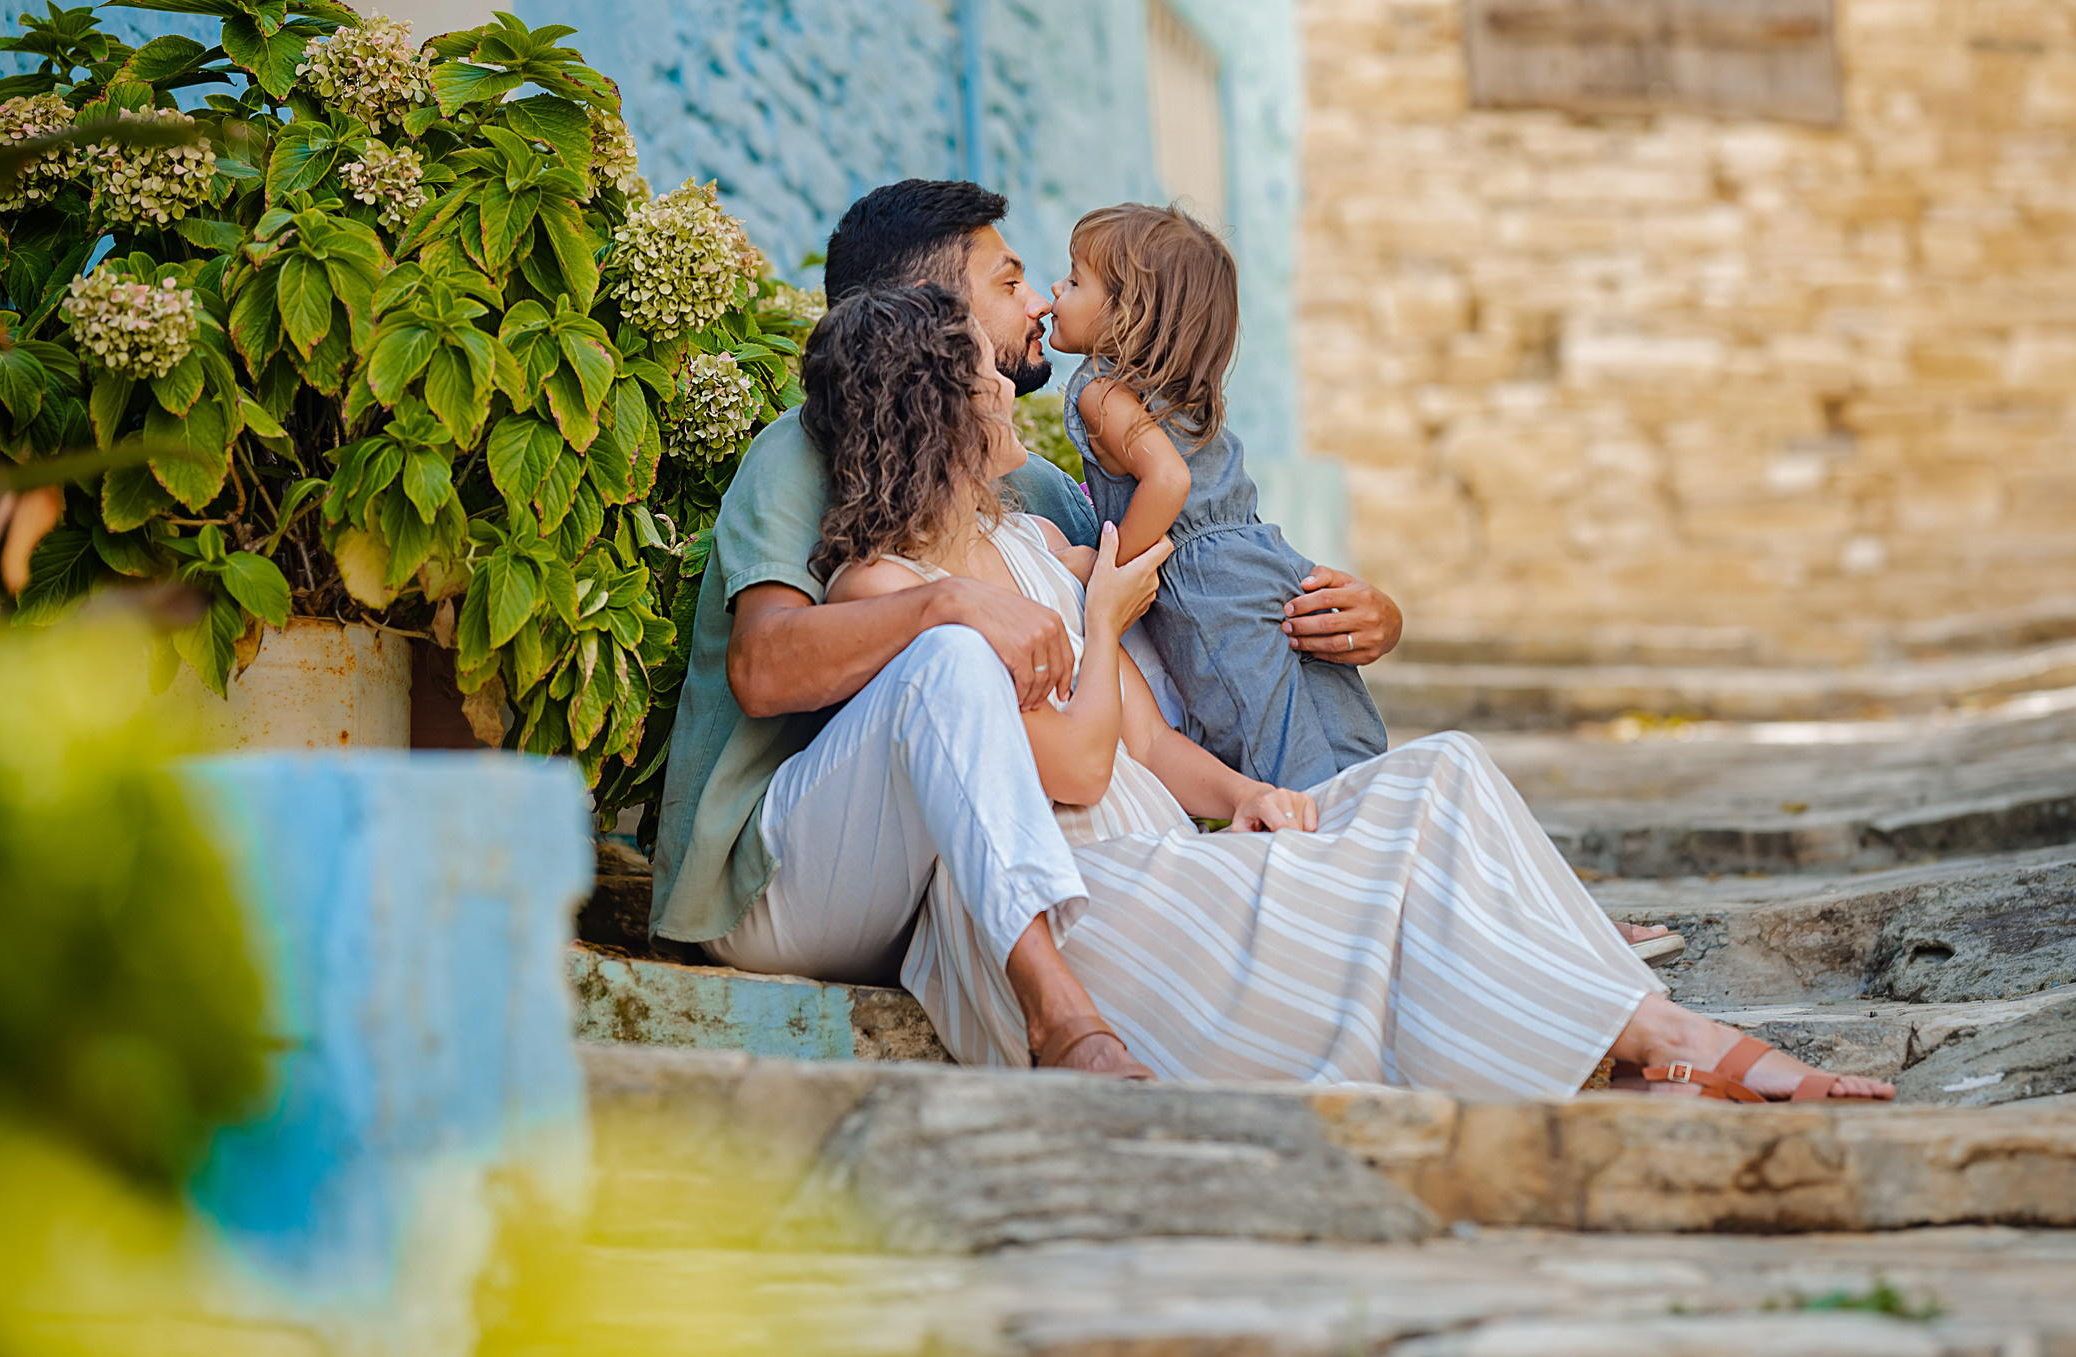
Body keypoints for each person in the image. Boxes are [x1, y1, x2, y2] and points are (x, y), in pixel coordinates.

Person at [806, 282, 1891, 1100]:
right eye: (982, 378)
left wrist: (1243, 795)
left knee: (1443, 771)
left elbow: (1140, 740)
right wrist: (1099, 622)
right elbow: (1079, 764)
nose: (1007, 384)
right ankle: (1660, 1042)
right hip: (1081, 906)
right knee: (1385, 884)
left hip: (1168, 853)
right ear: (936, 412)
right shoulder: (888, 588)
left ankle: (1650, 1024)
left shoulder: (1039, 541)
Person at [646, 180, 1409, 1079]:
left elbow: (1170, 644)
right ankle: (1062, 1014)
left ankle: (1313, 874)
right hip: (789, 866)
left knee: (1403, 790)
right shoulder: (800, 451)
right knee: (954, 658)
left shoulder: (1039, 499)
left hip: (955, 872)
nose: (1043, 299)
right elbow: (765, 667)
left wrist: (1349, 614)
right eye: (1008, 284)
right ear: (927, 314)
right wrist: (942, 603)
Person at [1049, 202, 1387, 791]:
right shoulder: (1177, 395)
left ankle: (1308, 855)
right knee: (1343, 730)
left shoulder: (1098, 390)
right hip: (1266, 556)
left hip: (1208, 584)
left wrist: (1113, 565)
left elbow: (1169, 480)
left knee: (1267, 739)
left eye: (1075, 280)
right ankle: (1376, 819)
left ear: (1127, 314)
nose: (1056, 288)